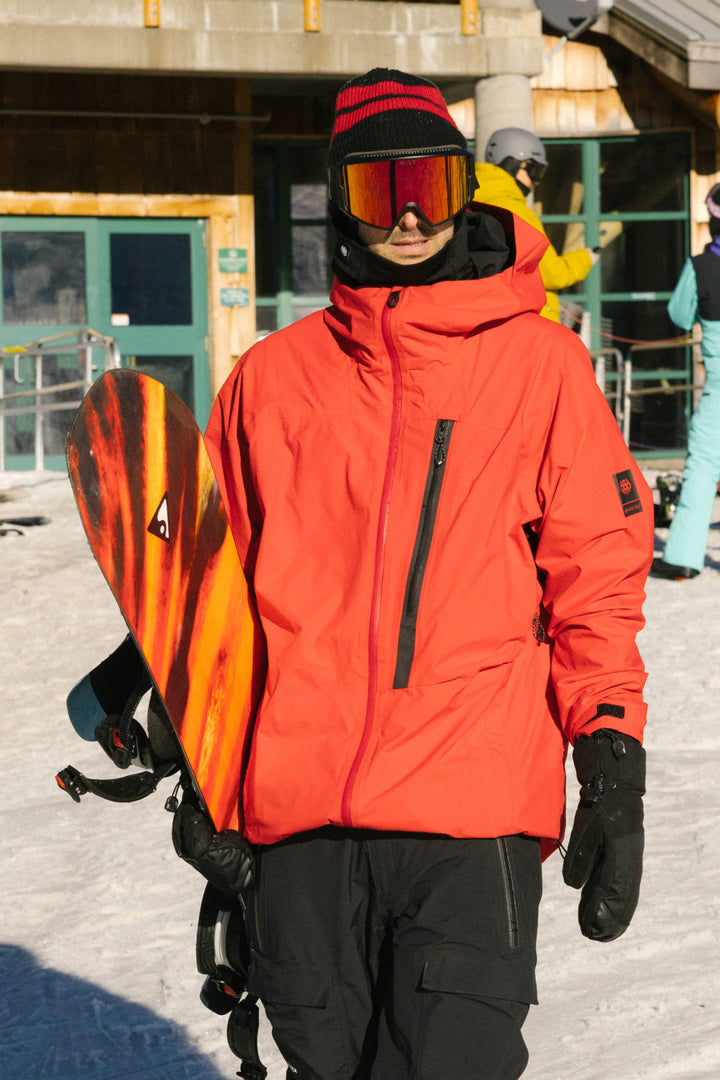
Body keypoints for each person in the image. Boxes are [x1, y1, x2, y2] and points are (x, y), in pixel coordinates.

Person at [174, 69, 652, 1080]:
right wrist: (201, 765)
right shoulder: (270, 379)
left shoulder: (541, 367)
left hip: (470, 808)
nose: (405, 217)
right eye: (376, 188)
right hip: (300, 817)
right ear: (339, 198)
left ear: (463, 190)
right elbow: (213, 600)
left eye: (428, 187)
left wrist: (610, 755)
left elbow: (596, 580)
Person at [652, 182, 720, 580]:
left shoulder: (701, 266)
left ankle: (682, 557)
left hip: (718, 390)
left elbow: (679, 314)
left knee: (703, 466)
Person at [475, 127, 598, 322]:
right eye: (535, 171)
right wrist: (586, 258)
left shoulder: (469, 204)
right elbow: (551, 274)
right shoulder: (516, 212)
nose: (537, 183)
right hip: (526, 320)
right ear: (513, 164)